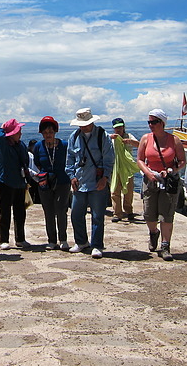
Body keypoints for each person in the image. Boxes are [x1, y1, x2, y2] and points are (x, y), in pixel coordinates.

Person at [136, 109, 187, 261]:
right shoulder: (146, 139)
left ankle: (165, 246)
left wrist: (172, 170)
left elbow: (182, 160)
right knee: (149, 214)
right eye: (149, 122)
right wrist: (148, 173)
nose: (151, 125)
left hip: (168, 182)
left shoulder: (174, 140)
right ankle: (153, 232)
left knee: (166, 215)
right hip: (150, 181)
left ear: (162, 123)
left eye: (154, 122)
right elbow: (139, 159)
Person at [66, 108, 114, 259]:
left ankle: (97, 245)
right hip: (80, 182)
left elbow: (109, 158)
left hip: (96, 181)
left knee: (98, 215)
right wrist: (71, 176)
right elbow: (70, 160)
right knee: (76, 214)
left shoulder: (102, 136)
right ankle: (81, 242)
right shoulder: (74, 137)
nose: (83, 127)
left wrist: (104, 178)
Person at [32, 116, 71, 250]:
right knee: (48, 212)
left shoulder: (64, 145)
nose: (48, 135)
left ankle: (63, 239)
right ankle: (52, 240)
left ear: (55, 132)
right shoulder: (38, 146)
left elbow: (70, 161)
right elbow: (37, 162)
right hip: (45, 183)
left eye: (50, 132)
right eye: (45, 133)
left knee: (61, 210)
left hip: (62, 181)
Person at [0, 118, 31, 250]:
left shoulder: (20, 145)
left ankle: (20, 238)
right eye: (18, 131)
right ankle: (3, 239)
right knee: (5, 212)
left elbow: (25, 160)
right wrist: (2, 128)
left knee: (20, 212)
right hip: (6, 182)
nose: (20, 133)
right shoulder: (3, 146)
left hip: (20, 182)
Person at [109, 118, 140, 223]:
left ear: (124, 127)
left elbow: (140, 145)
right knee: (115, 191)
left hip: (127, 168)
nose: (119, 130)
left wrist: (130, 142)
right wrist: (110, 138)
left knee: (129, 190)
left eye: (120, 127)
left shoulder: (129, 136)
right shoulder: (111, 138)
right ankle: (117, 213)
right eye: (116, 128)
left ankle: (128, 210)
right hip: (115, 167)